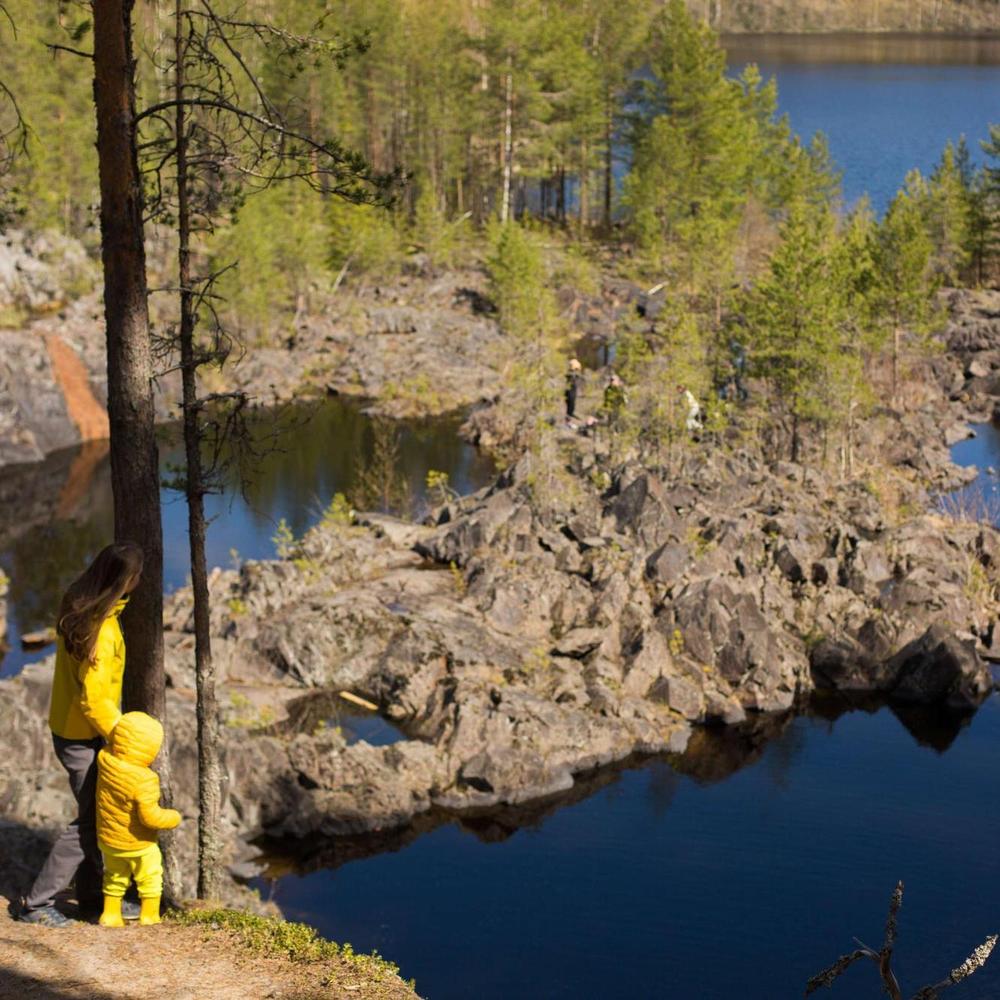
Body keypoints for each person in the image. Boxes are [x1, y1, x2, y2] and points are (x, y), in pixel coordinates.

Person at [18, 542, 144, 927]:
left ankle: (94, 899)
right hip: (83, 737)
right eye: (137, 575)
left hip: (70, 730)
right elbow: (93, 699)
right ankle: (35, 904)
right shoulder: (101, 629)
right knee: (90, 821)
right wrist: (122, 735)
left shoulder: (79, 606)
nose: (140, 581)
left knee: (94, 816)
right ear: (126, 580)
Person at [96, 711, 181, 927]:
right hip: (138, 844)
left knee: (114, 876)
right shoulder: (144, 780)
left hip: (109, 840)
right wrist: (173, 817)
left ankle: (110, 914)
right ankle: (149, 916)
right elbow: (149, 818)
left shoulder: (105, 760)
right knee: (150, 877)